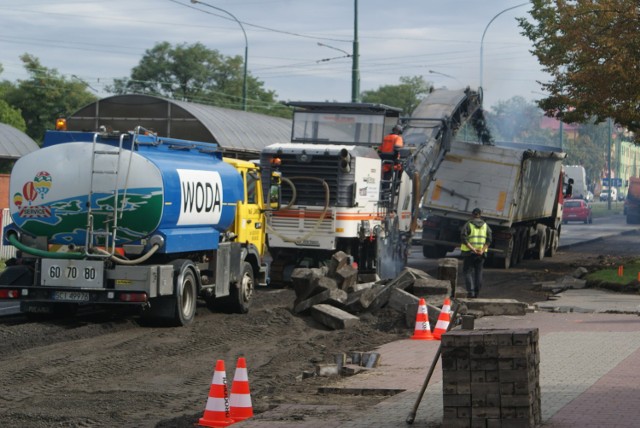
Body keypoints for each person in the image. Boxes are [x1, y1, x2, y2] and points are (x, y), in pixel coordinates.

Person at [460, 208, 492, 298]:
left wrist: (472, 249)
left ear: (472, 214)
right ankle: (476, 293)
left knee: (468, 272)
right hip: (481, 254)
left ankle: (470, 292)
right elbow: (489, 240)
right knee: (478, 272)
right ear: (480, 214)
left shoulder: (468, 224)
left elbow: (463, 238)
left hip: (469, 253)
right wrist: (482, 250)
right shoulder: (486, 226)